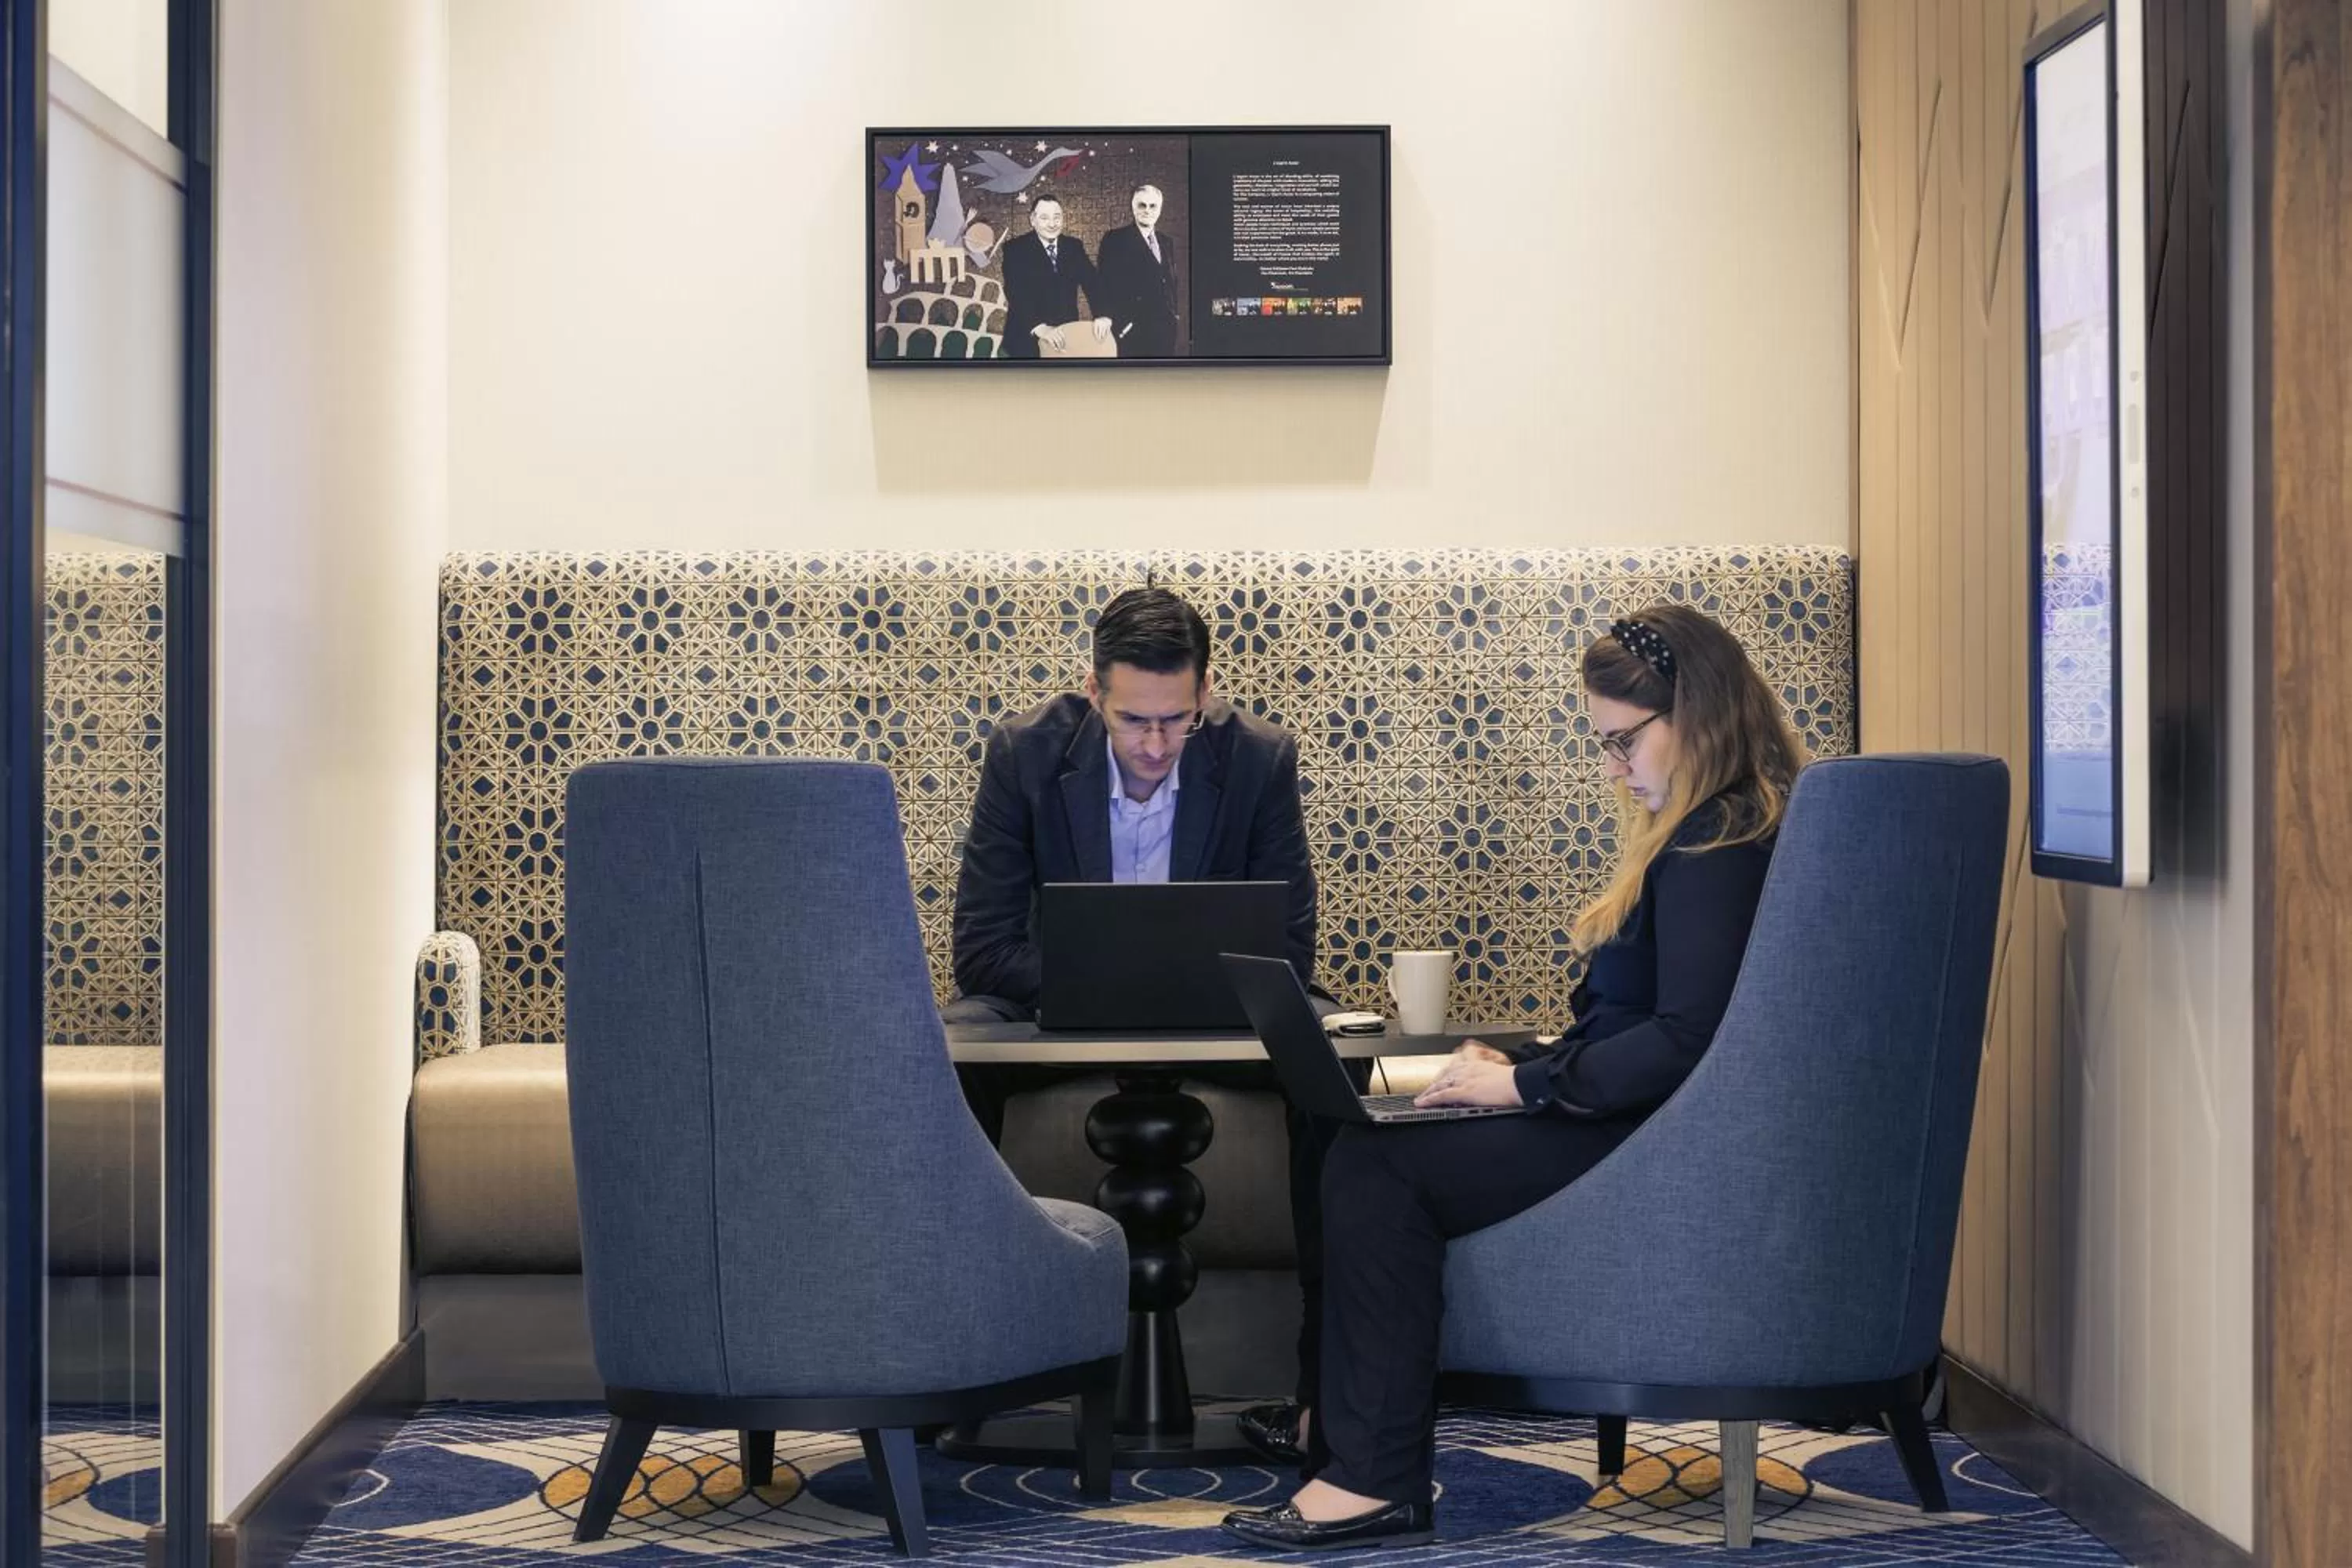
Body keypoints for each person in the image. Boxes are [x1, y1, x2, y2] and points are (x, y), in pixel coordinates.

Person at [1223, 604, 1804, 1552]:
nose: (1615, 768)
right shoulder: (1710, 825)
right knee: (1344, 1130)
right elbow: (1632, 1025)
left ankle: (1372, 1476)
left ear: (1696, 714)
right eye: (1603, 743)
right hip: (1620, 1113)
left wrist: (1523, 1091)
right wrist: (1519, 1061)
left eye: (1624, 741)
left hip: (1643, 1140)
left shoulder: (1717, 842)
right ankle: (1332, 1428)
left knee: (1379, 1168)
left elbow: (1687, 1039)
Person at [946, 585, 1356, 1409]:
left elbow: (1288, 948)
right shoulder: (1025, 752)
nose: (1158, 743)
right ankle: (955, 1357)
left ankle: (1330, 1385)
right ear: (1094, 693)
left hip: (1218, 1015)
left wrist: (1167, 979)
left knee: (1325, 1059)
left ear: (1204, 692)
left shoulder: (1259, 757)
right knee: (944, 1051)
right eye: (1135, 720)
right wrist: (1111, 978)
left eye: (1177, 718)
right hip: (1054, 1011)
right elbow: (983, 949)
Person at [996, 196, 1113, 358]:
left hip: (1065, 336)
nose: (1052, 224)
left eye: (1056, 217)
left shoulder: (1073, 246)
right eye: (1044, 218)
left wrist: (1103, 314)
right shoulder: (1015, 249)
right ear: (1033, 220)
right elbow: (1015, 291)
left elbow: (1092, 282)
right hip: (1026, 338)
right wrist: (1040, 327)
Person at [1094, 183, 1185, 358]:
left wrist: (1175, 316)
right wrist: (1119, 323)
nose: (1147, 210)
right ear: (1133, 207)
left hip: (1166, 331)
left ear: (1160, 209)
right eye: (1142, 205)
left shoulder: (1166, 241)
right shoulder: (1115, 239)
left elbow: (1170, 282)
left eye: (1153, 206)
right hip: (1134, 333)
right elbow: (1103, 284)